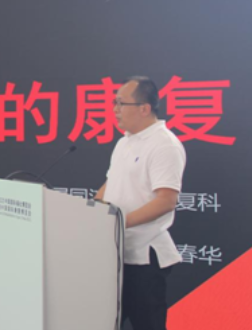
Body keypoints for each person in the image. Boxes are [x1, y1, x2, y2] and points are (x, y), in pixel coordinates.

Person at [96, 76, 185, 330]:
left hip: (145, 259)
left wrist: (118, 223)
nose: (115, 109)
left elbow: (166, 201)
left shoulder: (164, 144)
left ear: (144, 108)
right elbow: (110, 184)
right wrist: (92, 213)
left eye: (121, 103)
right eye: (114, 103)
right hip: (115, 253)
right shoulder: (124, 142)